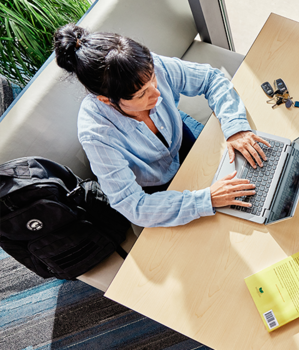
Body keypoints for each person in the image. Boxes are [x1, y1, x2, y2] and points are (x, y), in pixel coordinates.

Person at [54, 24, 270, 228]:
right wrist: (206, 200)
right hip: (156, 185)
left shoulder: (146, 68)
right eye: (141, 94)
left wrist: (236, 128)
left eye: (154, 80)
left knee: (259, 183)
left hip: (183, 139)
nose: (157, 94)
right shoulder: (96, 134)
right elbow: (132, 205)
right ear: (105, 99)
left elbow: (211, 79)